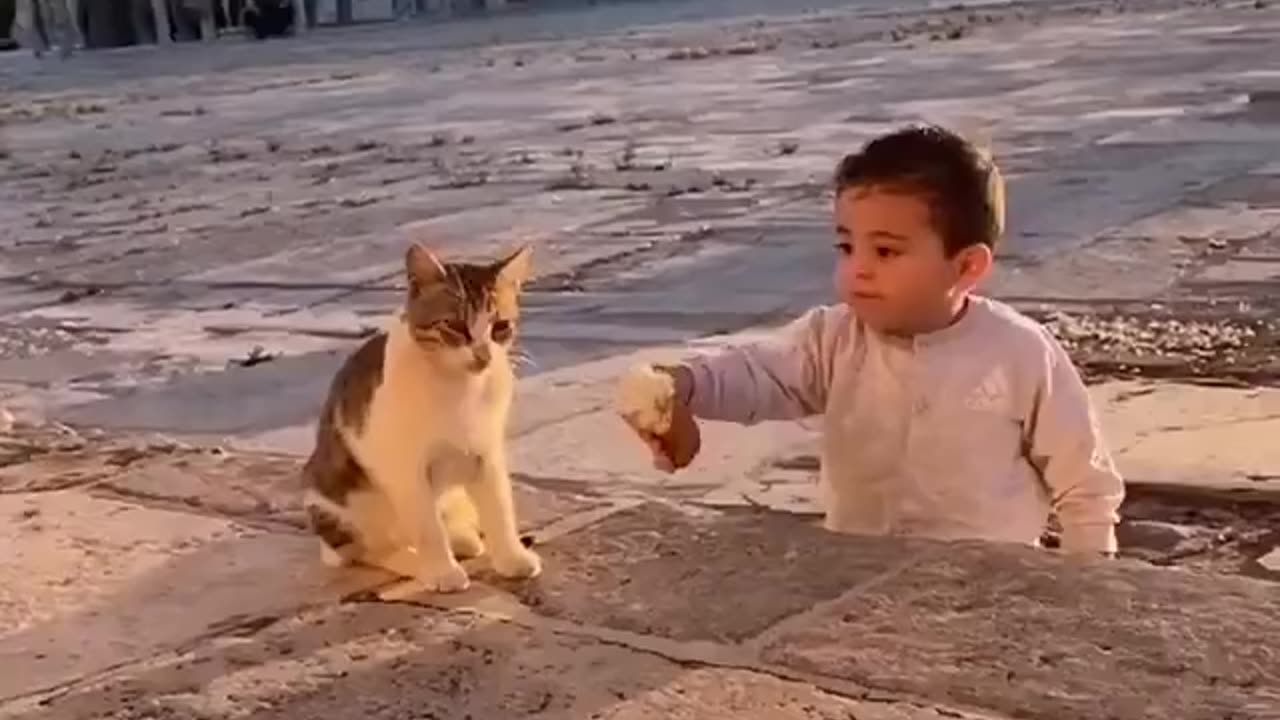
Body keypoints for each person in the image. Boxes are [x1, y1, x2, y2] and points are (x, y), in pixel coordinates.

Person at [621, 123, 1124, 556]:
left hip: (989, 584)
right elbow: (756, 373)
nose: (857, 270)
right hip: (855, 572)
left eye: (885, 252)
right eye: (846, 246)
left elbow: (1085, 478)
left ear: (966, 266)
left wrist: (1087, 572)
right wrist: (681, 386)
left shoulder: (1020, 351)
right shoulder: (833, 339)